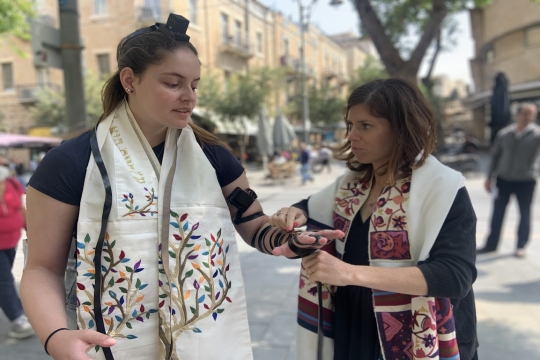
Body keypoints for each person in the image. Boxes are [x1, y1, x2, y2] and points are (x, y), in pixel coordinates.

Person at [20, 14, 342, 360]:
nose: (189, 97)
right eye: (173, 83)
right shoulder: (71, 162)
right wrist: (56, 338)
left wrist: (290, 241)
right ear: (129, 80)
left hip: (204, 339)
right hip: (101, 341)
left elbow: (255, 226)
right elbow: (42, 268)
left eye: (195, 85)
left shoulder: (213, 156)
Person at [268, 79, 479, 360]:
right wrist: (293, 214)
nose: (352, 135)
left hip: (417, 339)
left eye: (365, 126)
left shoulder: (443, 188)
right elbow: (311, 208)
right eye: (350, 125)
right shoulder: (352, 184)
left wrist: (348, 273)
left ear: (401, 129)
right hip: (353, 328)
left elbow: (455, 276)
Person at [478, 103, 540, 258]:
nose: (528, 117)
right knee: (498, 212)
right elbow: (495, 156)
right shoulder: (504, 134)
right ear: (517, 115)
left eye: (531, 114)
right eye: (525, 113)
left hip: (526, 181)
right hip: (503, 179)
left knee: (525, 213)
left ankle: (521, 246)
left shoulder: (537, 135)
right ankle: (491, 245)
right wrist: (489, 177)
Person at [0, 165, 34, 339]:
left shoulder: (12, 182)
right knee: (4, 281)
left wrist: (29, 228)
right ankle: (18, 319)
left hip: (10, 241)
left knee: (6, 278)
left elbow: (20, 208)